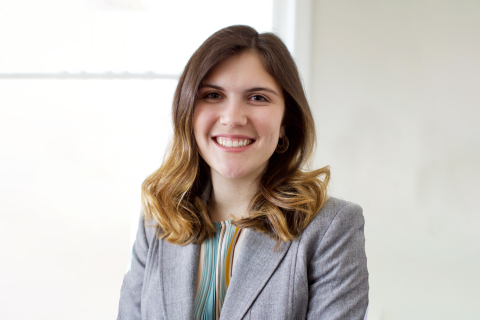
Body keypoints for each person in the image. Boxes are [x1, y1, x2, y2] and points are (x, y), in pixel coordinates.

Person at [117, 25, 369, 320]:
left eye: (258, 97)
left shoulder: (331, 229)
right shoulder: (158, 219)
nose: (232, 118)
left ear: (286, 120)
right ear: (187, 111)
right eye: (212, 95)